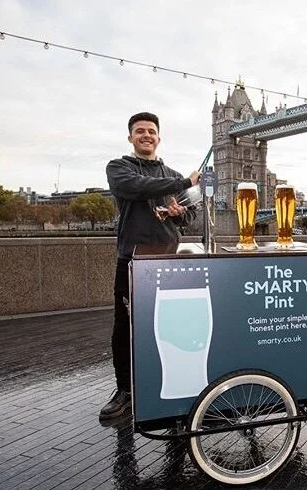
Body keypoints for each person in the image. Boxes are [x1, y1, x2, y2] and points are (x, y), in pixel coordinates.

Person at [100, 112, 201, 421]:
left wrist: (178, 213)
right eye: (140, 131)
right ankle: (125, 391)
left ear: (159, 137)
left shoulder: (171, 174)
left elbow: (190, 214)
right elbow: (138, 187)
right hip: (132, 259)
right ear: (130, 137)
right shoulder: (119, 168)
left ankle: (171, 385)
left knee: (172, 326)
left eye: (151, 131)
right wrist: (185, 182)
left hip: (168, 259)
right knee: (124, 328)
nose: (146, 135)